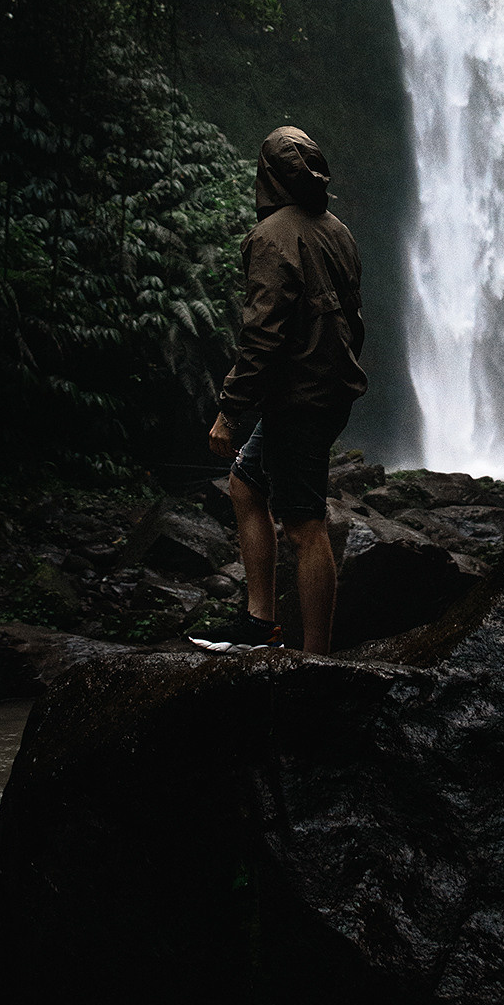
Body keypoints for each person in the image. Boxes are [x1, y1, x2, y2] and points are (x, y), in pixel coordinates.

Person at [201, 124, 366, 654]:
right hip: (325, 391)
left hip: (299, 399)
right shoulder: (337, 230)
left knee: (304, 523)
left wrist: (230, 411)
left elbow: (262, 335)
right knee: (247, 483)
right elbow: (354, 319)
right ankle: (260, 623)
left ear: (268, 176)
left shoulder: (272, 236)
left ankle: (314, 657)